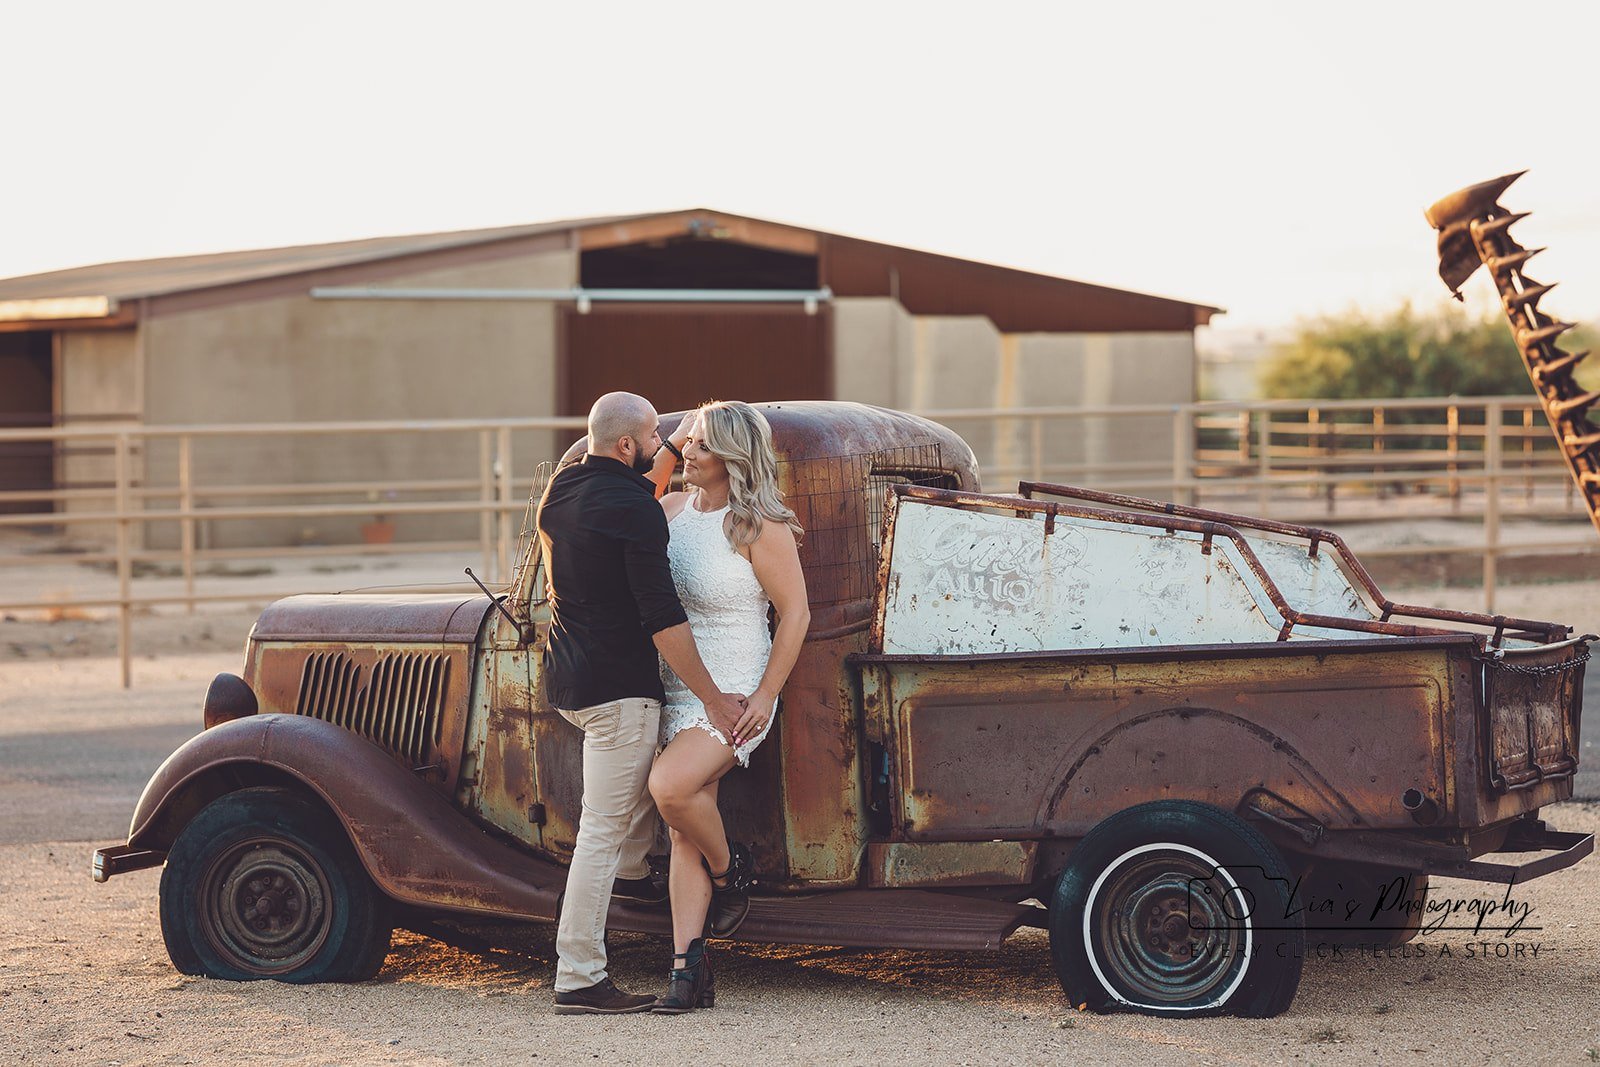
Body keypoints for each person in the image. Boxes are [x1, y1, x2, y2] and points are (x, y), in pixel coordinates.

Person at [537, 391, 748, 1016]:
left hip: (569, 683)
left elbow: (631, 487)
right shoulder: (638, 511)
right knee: (600, 833)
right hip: (620, 692)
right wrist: (712, 698)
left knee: (625, 814)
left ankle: (635, 879)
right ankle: (579, 975)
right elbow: (662, 618)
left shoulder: (561, 490)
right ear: (627, 445)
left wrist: (668, 447)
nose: (666, 447)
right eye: (656, 437)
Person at [643, 400, 810, 1015]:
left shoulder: (758, 525)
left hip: (736, 691)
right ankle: (688, 971)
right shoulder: (668, 511)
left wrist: (766, 694)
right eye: (688, 441)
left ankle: (729, 867)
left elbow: (796, 613)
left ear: (734, 457)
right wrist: (674, 445)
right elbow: (629, 505)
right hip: (676, 684)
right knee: (683, 823)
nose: (689, 450)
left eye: (702, 444)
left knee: (671, 787)